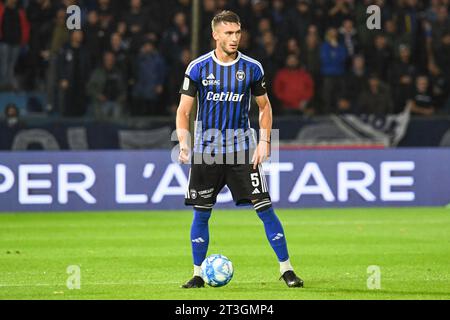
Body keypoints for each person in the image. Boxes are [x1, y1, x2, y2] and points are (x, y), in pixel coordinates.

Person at [176, 10, 303, 289]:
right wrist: (184, 143)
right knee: (202, 212)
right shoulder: (197, 68)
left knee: (265, 208)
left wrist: (265, 142)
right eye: (229, 33)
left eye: (238, 32)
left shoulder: (252, 68)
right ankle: (198, 273)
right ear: (216, 35)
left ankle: (287, 269)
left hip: (242, 151)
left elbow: (265, 107)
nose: (235, 38)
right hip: (207, 151)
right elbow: (184, 111)